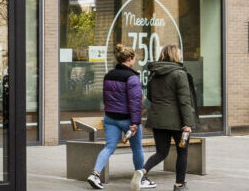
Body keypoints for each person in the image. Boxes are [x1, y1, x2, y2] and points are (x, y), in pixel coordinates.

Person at [85, 46, 149, 189]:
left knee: (109, 147)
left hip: (110, 118)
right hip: (127, 120)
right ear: (129, 59)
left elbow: (106, 98)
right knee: (137, 148)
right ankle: (141, 179)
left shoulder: (108, 75)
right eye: (134, 58)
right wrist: (135, 122)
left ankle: (95, 174)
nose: (135, 60)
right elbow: (135, 102)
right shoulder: (132, 77)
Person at [140, 46, 200, 189]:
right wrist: (188, 123)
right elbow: (184, 101)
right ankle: (179, 185)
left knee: (161, 152)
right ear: (175, 56)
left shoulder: (154, 74)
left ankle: (142, 171)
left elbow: (150, 98)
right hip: (178, 123)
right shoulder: (179, 74)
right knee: (182, 152)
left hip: (158, 120)